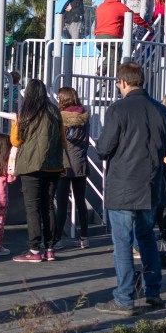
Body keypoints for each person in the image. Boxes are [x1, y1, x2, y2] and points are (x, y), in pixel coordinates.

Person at [94, 62, 166, 315]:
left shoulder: (118, 109)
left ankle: (124, 298)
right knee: (147, 238)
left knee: (123, 243)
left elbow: (104, 148)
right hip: (150, 185)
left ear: (123, 82)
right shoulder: (161, 110)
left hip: (123, 186)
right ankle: (153, 292)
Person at [10, 79, 65, 263]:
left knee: (32, 207)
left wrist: (15, 123)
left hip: (30, 166)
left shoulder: (25, 112)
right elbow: (63, 139)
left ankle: (34, 250)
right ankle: (50, 249)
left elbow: (16, 141)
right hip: (54, 165)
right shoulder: (54, 111)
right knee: (48, 205)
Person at [52, 87, 91, 250]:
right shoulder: (84, 116)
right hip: (81, 162)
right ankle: (84, 238)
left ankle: (57, 239)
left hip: (64, 163)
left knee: (62, 204)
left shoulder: (59, 117)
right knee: (81, 202)